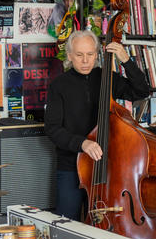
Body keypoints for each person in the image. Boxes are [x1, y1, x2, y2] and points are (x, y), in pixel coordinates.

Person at [44, 30, 149, 221]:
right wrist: (83, 143)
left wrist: (126, 60)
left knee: (108, 223)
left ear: (97, 54)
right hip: (71, 168)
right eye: (79, 55)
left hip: (108, 166)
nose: (85, 60)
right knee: (67, 224)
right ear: (69, 56)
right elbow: (52, 128)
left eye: (90, 54)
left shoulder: (107, 78)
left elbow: (141, 91)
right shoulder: (58, 86)